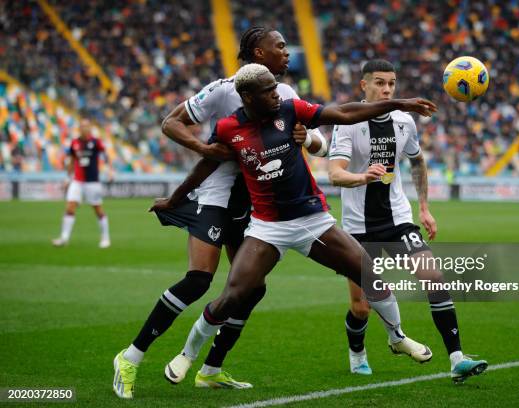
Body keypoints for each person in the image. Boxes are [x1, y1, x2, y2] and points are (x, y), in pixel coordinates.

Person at [170, 63, 439, 385]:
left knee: (368, 274)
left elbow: (344, 114)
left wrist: (400, 103)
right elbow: (205, 166)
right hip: (268, 227)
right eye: (268, 89)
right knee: (233, 295)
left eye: (275, 87)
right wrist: (175, 199)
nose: (276, 92)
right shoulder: (229, 128)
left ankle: (397, 338)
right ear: (248, 97)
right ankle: (187, 356)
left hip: (313, 220)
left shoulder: (291, 109)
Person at [112, 27, 328, 399]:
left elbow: (320, 144)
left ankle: (211, 369)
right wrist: (204, 148)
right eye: (280, 46)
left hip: (256, 204)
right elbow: (171, 122)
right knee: (199, 280)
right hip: (215, 196)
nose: (287, 52)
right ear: (259, 54)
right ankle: (130, 357)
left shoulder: (287, 95)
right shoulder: (224, 89)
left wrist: (309, 139)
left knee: (251, 289)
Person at [328, 59, 487, 382]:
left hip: (398, 220)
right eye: (379, 83)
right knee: (361, 307)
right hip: (358, 228)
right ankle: (357, 353)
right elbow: (335, 173)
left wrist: (424, 207)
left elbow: (416, 162)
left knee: (434, 278)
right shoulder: (346, 122)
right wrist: (362, 177)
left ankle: (457, 359)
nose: (386, 89)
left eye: (391, 83)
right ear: (364, 85)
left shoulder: (405, 122)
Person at [52, 119, 112, 248]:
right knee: (70, 207)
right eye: (82, 126)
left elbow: (105, 156)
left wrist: (109, 171)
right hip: (77, 181)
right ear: (79, 128)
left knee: (98, 209)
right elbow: (72, 160)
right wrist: (68, 178)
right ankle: (64, 238)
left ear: (90, 128)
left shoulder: (96, 142)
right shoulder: (74, 142)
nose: (84, 128)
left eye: (87, 126)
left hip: (92, 182)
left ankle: (106, 238)